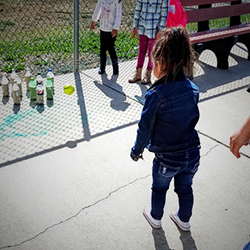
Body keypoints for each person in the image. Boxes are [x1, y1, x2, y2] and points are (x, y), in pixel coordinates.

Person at [130, 27, 200, 231]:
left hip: (167, 158)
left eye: (155, 62)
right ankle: (184, 220)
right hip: (193, 154)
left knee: (159, 188)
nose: (154, 68)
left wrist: (137, 151)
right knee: (185, 189)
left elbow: (145, 127)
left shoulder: (156, 95)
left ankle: (155, 218)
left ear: (163, 63)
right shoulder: (193, 89)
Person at [129, 0, 169, 84]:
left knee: (151, 52)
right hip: (142, 26)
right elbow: (138, 9)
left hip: (154, 28)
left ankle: (148, 73)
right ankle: (138, 72)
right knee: (141, 50)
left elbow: (164, 13)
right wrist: (135, 26)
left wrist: (160, 29)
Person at [91, 0, 122, 75]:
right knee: (103, 48)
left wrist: (116, 27)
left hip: (111, 29)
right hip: (103, 28)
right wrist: (94, 20)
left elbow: (118, 14)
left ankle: (115, 68)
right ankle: (102, 67)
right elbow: (98, 8)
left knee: (111, 48)